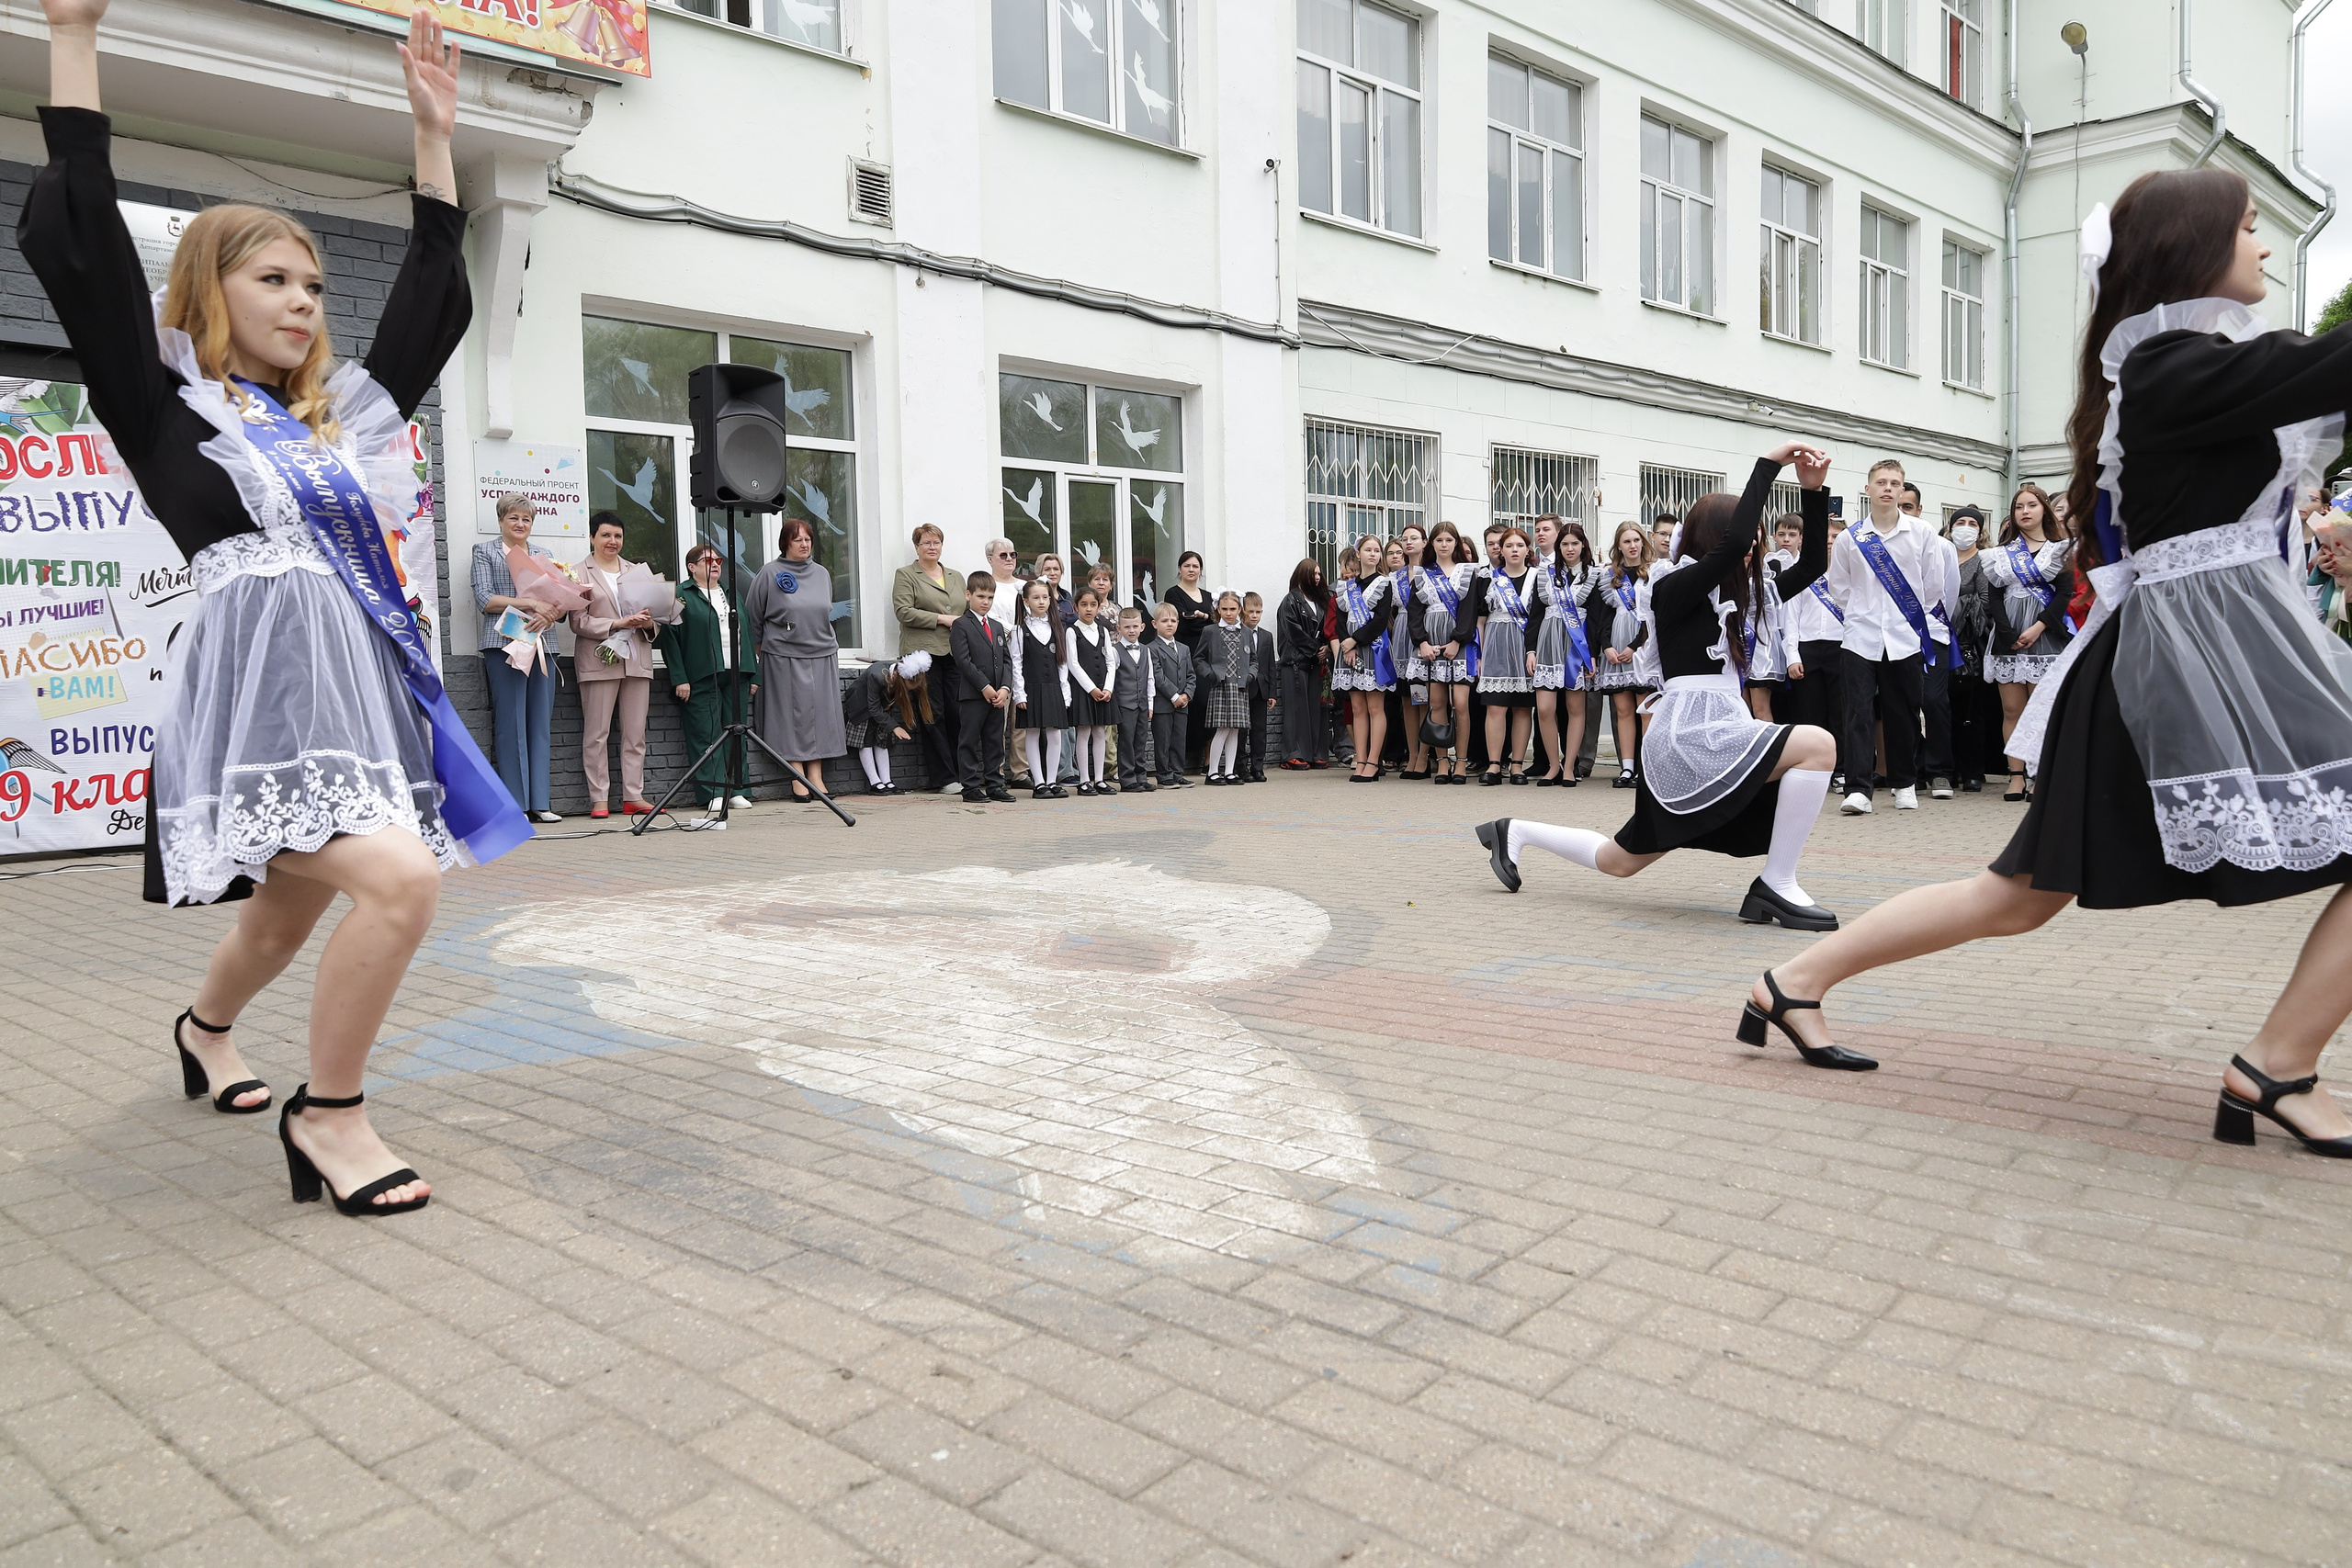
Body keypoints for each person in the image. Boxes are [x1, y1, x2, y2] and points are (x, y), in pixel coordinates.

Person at [21, 1, 525, 1212]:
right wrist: (76, 35)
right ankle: (332, 1113)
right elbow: (83, 242)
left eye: (311, 281)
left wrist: (432, 141)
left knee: (280, 923)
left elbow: (423, 304)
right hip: (256, 712)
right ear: (210, 286)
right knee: (400, 881)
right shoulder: (162, 404)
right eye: (272, 277)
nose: (305, 300)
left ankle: (202, 1029)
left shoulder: (340, 418)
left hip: (349, 706)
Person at [1745, 168, 2352, 1141]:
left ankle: (1795, 979)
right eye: (2248, 227)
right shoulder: (2167, 370)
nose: (2266, 247)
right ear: (2191, 248)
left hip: (2206, 660)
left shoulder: (2182, 368)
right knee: (2019, 894)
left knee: (2019, 895)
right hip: (2168, 671)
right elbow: (2330, 367)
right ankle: (2275, 1068)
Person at [1481, 443, 1841, 935]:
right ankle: (1776, 884)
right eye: (1750, 536)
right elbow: (1735, 545)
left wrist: (1814, 493)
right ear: (1716, 539)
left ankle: (1514, 830)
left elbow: (1814, 565)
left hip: (1718, 728)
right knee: (1818, 746)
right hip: (1688, 733)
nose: (1755, 546)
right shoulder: (1672, 587)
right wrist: (1770, 465)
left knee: (1619, 861)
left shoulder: (1744, 592)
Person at [1826, 458, 1953, 816]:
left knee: (1904, 713)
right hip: (1859, 637)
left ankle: (1904, 783)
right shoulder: (1852, 538)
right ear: (1868, 489)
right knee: (1857, 713)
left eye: (1894, 483)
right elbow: (1840, 587)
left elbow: (1932, 588)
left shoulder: (1922, 532)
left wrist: (1905, 615)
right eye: (1880, 482)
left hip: (1904, 636)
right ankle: (1858, 789)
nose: (1887, 488)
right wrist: (1864, 613)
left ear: (1902, 490)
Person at [471, 493, 562, 823]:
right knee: (511, 724)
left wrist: (551, 612)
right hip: (504, 644)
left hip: (543, 645)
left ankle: (541, 802)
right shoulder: (485, 551)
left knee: (539, 723)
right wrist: (530, 604)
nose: (520, 524)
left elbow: (558, 601)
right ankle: (516, 805)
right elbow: (484, 598)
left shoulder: (545, 555)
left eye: (526, 519)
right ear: (500, 521)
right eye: (513, 518)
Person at [740, 516, 844, 800]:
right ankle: (797, 775)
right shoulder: (769, 572)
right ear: (785, 542)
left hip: (821, 653)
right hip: (783, 655)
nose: (804, 543)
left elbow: (824, 611)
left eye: (808, 539)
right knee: (790, 716)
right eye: (798, 539)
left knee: (820, 715)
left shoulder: (822, 573)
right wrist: (760, 650)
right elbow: (753, 616)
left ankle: (817, 776)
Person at [1983, 482, 2075, 801]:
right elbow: (1993, 595)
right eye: (2019, 507)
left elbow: (2065, 593)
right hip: (2008, 635)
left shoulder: (2061, 548)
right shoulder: (2000, 555)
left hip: (2045, 634)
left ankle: (2040, 774)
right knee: (2012, 710)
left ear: (2044, 510)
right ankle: (2016, 776)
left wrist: (2038, 627)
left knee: (2041, 709)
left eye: (2031, 505)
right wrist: (2007, 631)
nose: (2025, 511)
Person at [571, 511, 664, 818]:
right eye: (606, 535)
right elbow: (578, 621)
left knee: (635, 733)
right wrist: (618, 623)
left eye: (618, 536)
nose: (612, 541)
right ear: (592, 537)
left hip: (636, 659)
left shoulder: (638, 571)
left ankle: (632, 795)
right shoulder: (577, 573)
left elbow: (656, 621)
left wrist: (649, 623)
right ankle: (599, 798)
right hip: (599, 660)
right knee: (597, 733)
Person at [658, 542, 759, 815]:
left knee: (736, 731)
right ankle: (713, 791)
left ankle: (738, 788)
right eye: (707, 560)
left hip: (736, 672)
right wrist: (680, 678)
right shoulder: (681, 595)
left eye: (718, 561)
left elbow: (745, 634)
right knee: (706, 734)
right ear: (692, 567)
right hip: (701, 674)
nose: (715, 564)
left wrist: (753, 673)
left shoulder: (731, 593)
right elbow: (670, 640)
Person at [1773, 510, 1848, 787]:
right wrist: (1792, 655)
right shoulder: (1802, 573)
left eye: (1836, 536)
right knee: (1808, 715)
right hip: (1807, 649)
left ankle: (1841, 770)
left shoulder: (1849, 574)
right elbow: (1790, 619)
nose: (1829, 541)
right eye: (1825, 536)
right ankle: (1812, 771)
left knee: (1840, 714)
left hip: (1841, 648)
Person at [1901, 482, 1963, 799]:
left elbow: (1949, 592)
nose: (1902, 513)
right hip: (1893, 635)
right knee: (1903, 703)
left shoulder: (1941, 546)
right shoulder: (1873, 545)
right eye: (1897, 507)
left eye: (1908, 507)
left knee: (1935, 701)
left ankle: (1940, 771)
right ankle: (1911, 772)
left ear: (1920, 510)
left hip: (1931, 634)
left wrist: (1931, 623)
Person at [890, 523, 962, 794]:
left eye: (936, 543)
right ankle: (943, 778)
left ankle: (961, 771)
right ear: (917, 547)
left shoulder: (955, 575)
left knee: (957, 712)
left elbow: (965, 609)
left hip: (953, 652)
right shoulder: (906, 574)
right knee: (933, 713)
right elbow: (904, 611)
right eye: (926, 543)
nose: (932, 548)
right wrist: (941, 618)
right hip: (923, 654)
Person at [1467, 525, 1539, 784]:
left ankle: (1517, 765)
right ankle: (1494, 764)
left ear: (1527, 549)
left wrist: (1533, 650)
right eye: (1509, 546)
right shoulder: (1488, 578)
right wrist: (1480, 653)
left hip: (1523, 646)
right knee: (1494, 707)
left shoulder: (1536, 577)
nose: (1514, 550)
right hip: (1495, 645)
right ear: (1501, 551)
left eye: (1519, 545)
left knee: (1522, 708)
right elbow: (1481, 620)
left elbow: (1537, 618)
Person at [1407, 522, 1476, 784]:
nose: (1444, 545)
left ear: (1456, 543)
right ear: (1431, 544)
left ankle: (1461, 761)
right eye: (1439, 540)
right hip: (1432, 646)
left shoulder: (1468, 572)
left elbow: (1469, 610)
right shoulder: (1424, 574)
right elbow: (1415, 611)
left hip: (1458, 645)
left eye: (1449, 540)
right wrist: (1422, 642)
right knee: (1436, 704)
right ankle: (1443, 762)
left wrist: (1459, 641)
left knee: (1460, 704)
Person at [1531, 518, 1596, 786]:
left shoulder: (1594, 575)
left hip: (1576, 645)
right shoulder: (1545, 574)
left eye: (1575, 544)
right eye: (1565, 544)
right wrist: (1530, 650)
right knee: (1545, 709)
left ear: (1583, 545)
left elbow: (1596, 618)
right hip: (1547, 642)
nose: (1570, 549)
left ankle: (1570, 767)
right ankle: (1553, 766)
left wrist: (1593, 652)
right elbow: (1535, 615)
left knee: (1574, 707)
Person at [1589, 523, 1654, 788]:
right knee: (1623, 710)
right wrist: (1606, 646)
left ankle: (1646, 767)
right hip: (1615, 647)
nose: (1632, 545)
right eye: (1627, 541)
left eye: (1636, 540)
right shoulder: (1609, 577)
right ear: (1619, 546)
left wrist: (1635, 646)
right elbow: (1603, 616)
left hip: (1643, 647)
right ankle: (1627, 768)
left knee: (1645, 710)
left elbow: (1654, 617)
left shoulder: (1653, 573)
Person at [1333, 536, 1397, 783]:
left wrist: (1355, 641)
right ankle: (1360, 760)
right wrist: (1346, 645)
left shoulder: (1384, 583)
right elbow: (1340, 619)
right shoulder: (1347, 586)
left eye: (1376, 550)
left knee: (1374, 707)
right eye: (1367, 550)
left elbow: (1381, 620)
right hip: (1350, 653)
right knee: (1357, 708)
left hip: (1373, 649)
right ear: (1357, 554)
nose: (1373, 554)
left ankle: (1373, 761)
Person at [1946, 505, 2000, 792]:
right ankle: (1947, 767)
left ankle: (1972, 770)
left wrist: (1956, 606)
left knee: (1971, 710)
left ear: (1980, 531)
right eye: (1960, 522)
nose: (1965, 528)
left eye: (1971, 523)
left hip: (1970, 644)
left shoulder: (1983, 561)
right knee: (1944, 708)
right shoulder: (1942, 555)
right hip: (1940, 640)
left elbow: (1984, 601)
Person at [950, 572, 1014, 804]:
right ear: (968, 595)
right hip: (973, 695)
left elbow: (1007, 660)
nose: (985, 601)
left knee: (995, 740)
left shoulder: (997, 626)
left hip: (998, 696)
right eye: (980, 596)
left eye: (990, 597)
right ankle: (970, 787)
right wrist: (985, 686)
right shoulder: (961, 625)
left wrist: (1005, 688)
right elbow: (963, 661)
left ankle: (995, 785)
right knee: (969, 740)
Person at [1011, 577, 1070, 800]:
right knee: (1033, 733)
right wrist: (1020, 694)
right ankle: (1039, 782)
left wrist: (1065, 692)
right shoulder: (1019, 631)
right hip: (1032, 688)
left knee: (1055, 734)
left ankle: (1053, 780)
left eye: (1045, 597)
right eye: (1036, 598)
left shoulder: (1057, 628)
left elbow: (1062, 663)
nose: (1042, 601)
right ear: (1026, 601)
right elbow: (1017, 664)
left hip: (1053, 686)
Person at [842, 653, 931, 795]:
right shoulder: (877, 676)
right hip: (861, 706)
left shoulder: (899, 675)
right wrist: (895, 727)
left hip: (882, 709)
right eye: (908, 689)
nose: (908, 693)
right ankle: (875, 782)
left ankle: (887, 781)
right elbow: (873, 707)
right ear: (901, 678)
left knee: (882, 742)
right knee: (865, 742)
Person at [1276, 558, 1329, 770]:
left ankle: (1316, 753)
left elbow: (1329, 627)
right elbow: (1293, 632)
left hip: (1317, 662)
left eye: (1319, 574)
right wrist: (1316, 649)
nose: (1317, 578)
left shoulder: (1321, 601)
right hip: (1295, 662)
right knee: (1296, 709)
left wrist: (1326, 647)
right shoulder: (1290, 601)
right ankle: (1293, 753)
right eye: (1313, 574)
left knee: (1318, 709)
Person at [1163, 549, 1214, 769]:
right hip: (1182, 654)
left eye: (1195, 566)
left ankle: (1209, 760)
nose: (1191, 570)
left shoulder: (1209, 596)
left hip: (1206, 656)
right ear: (1179, 569)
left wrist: (1201, 619)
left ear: (1201, 570)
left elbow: (1214, 624)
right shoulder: (1173, 594)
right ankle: (1180, 761)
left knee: (1206, 703)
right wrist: (1202, 619)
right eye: (1187, 566)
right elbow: (1181, 623)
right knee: (1186, 705)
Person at [1197, 591, 1253, 784]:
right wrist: (1210, 674)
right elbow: (1199, 658)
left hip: (1239, 687)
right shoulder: (1210, 631)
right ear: (1217, 609)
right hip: (1220, 686)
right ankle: (1212, 772)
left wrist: (1251, 674)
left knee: (1235, 730)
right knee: (1222, 729)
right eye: (1224, 609)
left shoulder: (1246, 632)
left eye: (1232, 609)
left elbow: (1253, 659)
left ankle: (1229, 771)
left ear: (1239, 609)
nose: (1228, 613)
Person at [1065, 589, 1114, 795]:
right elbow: (1073, 664)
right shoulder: (1071, 631)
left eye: (1093, 605)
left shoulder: (1102, 631)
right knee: (1083, 732)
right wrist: (1091, 689)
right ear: (1076, 607)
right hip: (1084, 689)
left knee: (1100, 731)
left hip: (1103, 688)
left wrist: (1108, 688)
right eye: (1084, 605)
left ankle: (1100, 779)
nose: (1088, 609)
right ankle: (1084, 780)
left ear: (1098, 607)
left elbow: (1111, 661)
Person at [1148, 603, 1196, 788]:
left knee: (1178, 739)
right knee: (1163, 740)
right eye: (1164, 620)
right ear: (1154, 624)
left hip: (1182, 704)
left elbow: (1191, 674)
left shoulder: (1184, 648)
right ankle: (1164, 775)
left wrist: (1187, 695)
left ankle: (1177, 773)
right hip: (1163, 703)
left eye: (1173, 620)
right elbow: (1157, 676)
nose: (1170, 624)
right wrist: (1174, 696)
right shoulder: (1151, 648)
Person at [1110, 605, 1156, 792]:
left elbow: (1150, 678)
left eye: (1135, 626)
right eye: (1127, 627)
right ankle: (1127, 779)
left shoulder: (1146, 650)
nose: (1131, 630)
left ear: (1142, 627)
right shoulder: (1115, 651)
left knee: (1141, 740)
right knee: (1126, 741)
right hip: (1124, 704)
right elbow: (1111, 679)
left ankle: (1141, 776)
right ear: (1119, 629)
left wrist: (1150, 703)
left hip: (1142, 703)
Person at [1242, 592, 1276, 784]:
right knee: (1240, 731)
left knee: (1259, 730)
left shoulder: (1266, 636)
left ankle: (1258, 767)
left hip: (1261, 690)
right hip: (1242, 689)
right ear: (1243, 612)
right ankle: (1241, 766)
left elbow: (1271, 665)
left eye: (1258, 612)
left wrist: (1272, 692)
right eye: (1251, 611)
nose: (1254, 616)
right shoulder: (1238, 633)